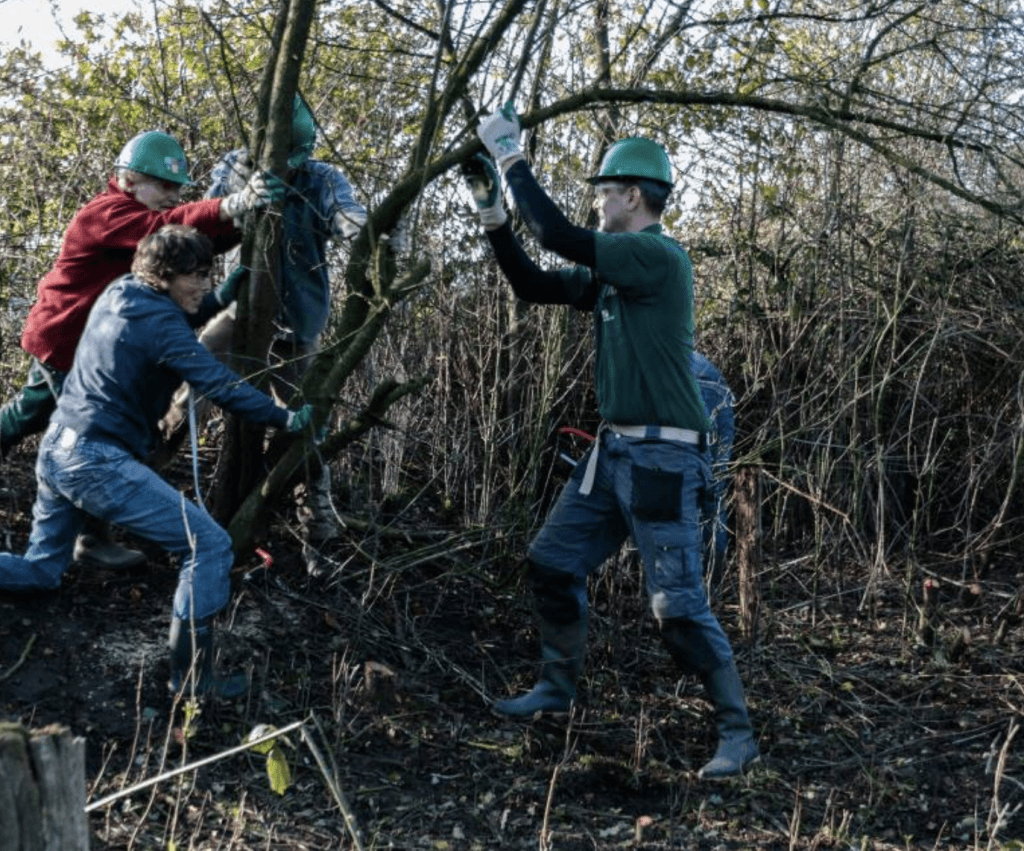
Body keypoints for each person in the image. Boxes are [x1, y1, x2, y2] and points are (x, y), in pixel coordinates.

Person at [465, 105, 759, 780]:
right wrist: (490, 212)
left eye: (603, 192)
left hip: (663, 457)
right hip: (614, 452)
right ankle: (557, 688)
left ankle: (737, 733)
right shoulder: (614, 274)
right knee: (552, 562)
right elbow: (532, 281)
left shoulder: (656, 257)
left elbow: (556, 234)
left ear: (632, 196)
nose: (595, 203)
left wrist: (510, 154)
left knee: (677, 607)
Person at [0, 225, 314, 697]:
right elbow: (218, 382)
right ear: (166, 275)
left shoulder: (121, 292)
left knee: (42, 571)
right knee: (208, 545)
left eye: (210, 276)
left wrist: (221, 295)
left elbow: (171, 322)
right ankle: (193, 681)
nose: (205, 285)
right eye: (199, 276)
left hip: (56, 450)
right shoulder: (162, 324)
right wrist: (285, 418)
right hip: (93, 460)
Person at [0, 129, 283, 570]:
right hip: (67, 340)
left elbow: (186, 246)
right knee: (95, 435)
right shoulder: (108, 213)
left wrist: (239, 222)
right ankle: (91, 539)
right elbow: (158, 231)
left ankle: (87, 535)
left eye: (176, 188)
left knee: (29, 414)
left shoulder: (140, 215)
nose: (171, 196)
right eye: (163, 186)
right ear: (129, 180)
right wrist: (229, 205)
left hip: (83, 346)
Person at [161, 95, 369, 578]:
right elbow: (204, 227)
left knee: (307, 432)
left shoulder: (323, 179)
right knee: (183, 399)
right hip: (240, 314)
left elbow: (348, 216)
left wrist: (371, 231)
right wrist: (239, 203)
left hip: (297, 324)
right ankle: (133, 494)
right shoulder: (237, 164)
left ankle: (320, 538)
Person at [691, 350, 735, 600]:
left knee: (685, 494)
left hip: (688, 390)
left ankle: (691, 594)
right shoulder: (698, 359)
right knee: (714, 494)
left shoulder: (646, 357)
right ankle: (712, 587)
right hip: (717, 389)